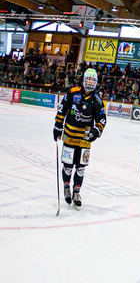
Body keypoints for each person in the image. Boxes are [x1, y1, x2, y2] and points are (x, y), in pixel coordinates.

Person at [53, 67, 106, 208]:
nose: (90, 82)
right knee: (68, 167)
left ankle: (76, 191)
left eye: (93, 80)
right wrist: (57, 127)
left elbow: (102, 119)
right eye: (88, 79)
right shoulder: (72, 93)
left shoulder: (97, 101)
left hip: (85, 140)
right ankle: (66, 187)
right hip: (70, 137)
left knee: (81, 168)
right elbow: (62, 110)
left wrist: (96, 131)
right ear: (83, 80)